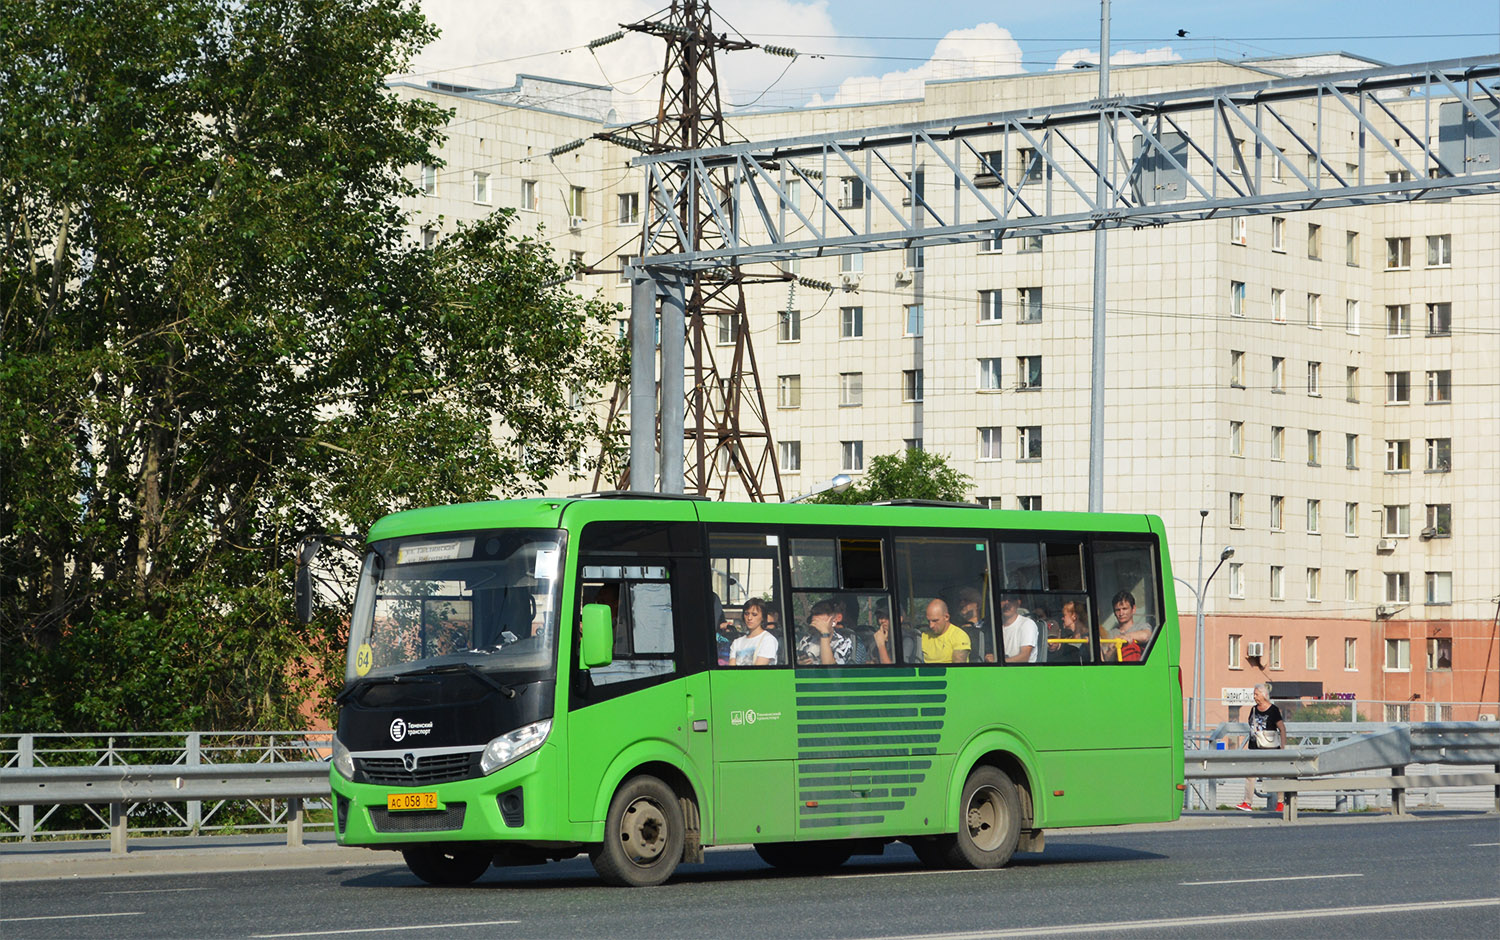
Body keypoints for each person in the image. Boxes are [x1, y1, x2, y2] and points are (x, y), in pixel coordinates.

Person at [1239, 683, 1288, 812]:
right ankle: (1247, 802)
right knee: (1250, 774)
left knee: (1276, 775)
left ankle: (1280, 803)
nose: (1254, 697)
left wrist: (1283, 746)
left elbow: (1282, 728)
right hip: (1255, 747)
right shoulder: (1254, 709)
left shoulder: (1273, 710)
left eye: (1257, 694)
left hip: (1271, 748)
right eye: (1254, 694)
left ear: (1264, 695)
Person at [796, 598, 864, 665]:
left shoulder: (844, 642)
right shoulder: (807, 639)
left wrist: (824, 635)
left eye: (821, 623)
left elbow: (831, 671)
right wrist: (800, 664)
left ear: (833, 621)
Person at [1101, 590, 1152, 662]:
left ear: (1133, 609)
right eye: (1118, 610)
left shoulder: (1142, 627)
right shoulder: (1110, 634)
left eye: (1124, 609)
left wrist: (1124, 637)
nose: (1121, 613)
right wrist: (1114, 646)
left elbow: (1145, 636)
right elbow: (1107, 659)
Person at [728, 597, 778, 665]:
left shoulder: (768, 640)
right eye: (746, 614)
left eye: (754, 614)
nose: (749, 618)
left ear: (763, 617)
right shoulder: (737, 643)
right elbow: (731, 671)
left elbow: (759, 670)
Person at [920, 598, 971, 664]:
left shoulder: (959, 636)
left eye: (935, 621)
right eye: (928, 621)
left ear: (946, 617)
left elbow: (958, 669)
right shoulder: (923, 637)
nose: (931, 625)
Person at [956, 587, 995, 663]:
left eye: (966, 600)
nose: (962, 604)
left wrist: (994, 656)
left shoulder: (990, 627)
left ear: (978, 605)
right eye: (960, 601)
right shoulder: (956, 629)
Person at [999, 596, 1038, 663]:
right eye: (1003, 600)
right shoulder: (995, 626)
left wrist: (997, 662)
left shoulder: (1027, 624)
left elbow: (1024, 657)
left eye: (1010, 600)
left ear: (1018, 603)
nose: (1006, 604)